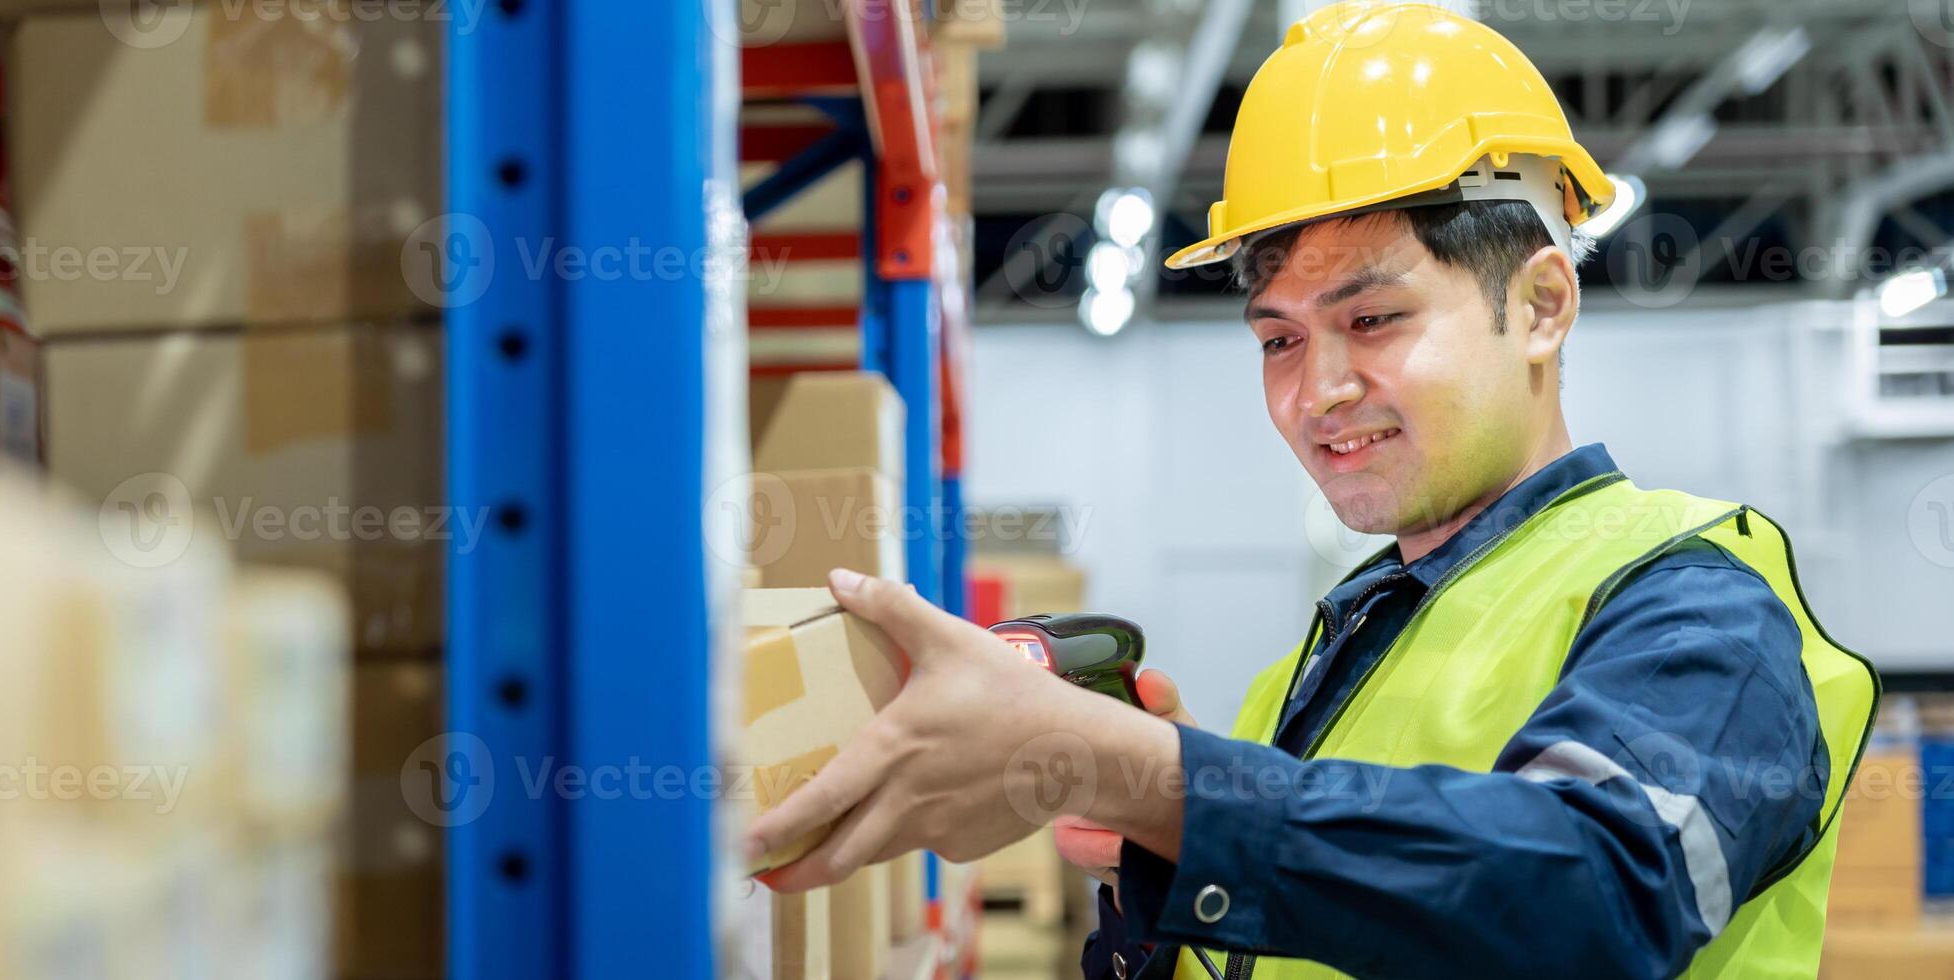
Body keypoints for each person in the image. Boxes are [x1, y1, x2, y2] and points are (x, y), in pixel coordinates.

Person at [742, 3, 1879, 978]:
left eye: (1373, 319)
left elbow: (1598, 893)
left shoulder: (1698, 600)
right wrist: (1155, 835)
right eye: (1279, 339)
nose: (1319, 389)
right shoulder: (1319, 666)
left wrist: (1155, 775)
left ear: (1539, 306)